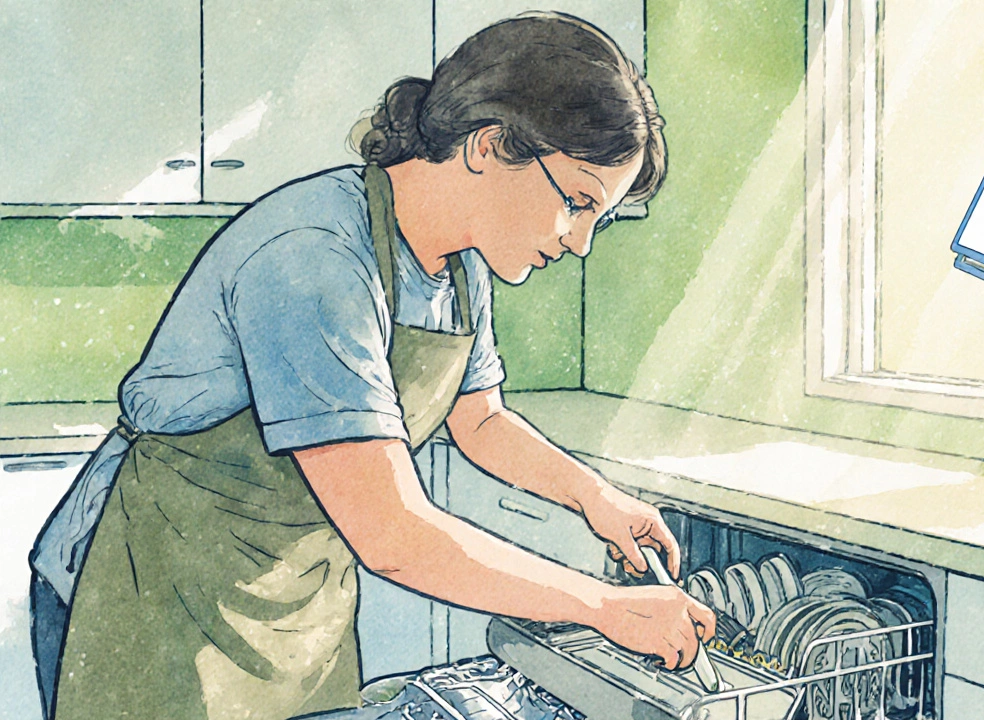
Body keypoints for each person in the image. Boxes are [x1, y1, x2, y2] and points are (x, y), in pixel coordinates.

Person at [28, 12, 714, 720]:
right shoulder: (314, 255)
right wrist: (604, 607)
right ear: (488, 145)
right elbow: (391, 534)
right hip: (155, 593)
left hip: (292, 608)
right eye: (575, 203)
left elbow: (479, 420)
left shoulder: (459, 269)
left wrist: (594, 497)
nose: (579, 244)